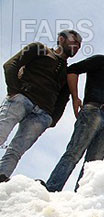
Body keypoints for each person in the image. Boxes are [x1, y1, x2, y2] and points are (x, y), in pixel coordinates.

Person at [45, 49, 104, 192]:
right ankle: (52, 189)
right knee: (74, 153)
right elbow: (73, 70)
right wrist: (75, 98)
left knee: (92, 166)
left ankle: (79, 198)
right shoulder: (102, 61)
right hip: (94, 112)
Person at [0, 30, 82, 182]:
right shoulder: (39, 49)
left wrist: (52, 119)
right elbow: (10, 65)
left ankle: (1, 178)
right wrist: (14, 92)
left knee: (16, 150)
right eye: (74, 41)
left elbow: (63, 98)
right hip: (22, 99)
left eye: (79, 45)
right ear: (61, 39)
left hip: (43, 115)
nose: (77, 46)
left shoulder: (67, 72)